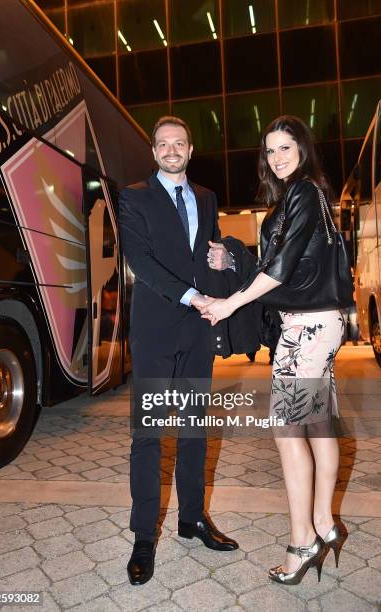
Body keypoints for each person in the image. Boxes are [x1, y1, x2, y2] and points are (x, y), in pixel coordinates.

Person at [200, 115, 346, 585]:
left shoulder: (303, 193)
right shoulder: (308, 196)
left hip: (304, 329)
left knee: (288, 433)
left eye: (286, 147)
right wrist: (237, 258)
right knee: (319, 425)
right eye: (270, 150)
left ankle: (303, 541)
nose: (277, 157)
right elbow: (280, 258)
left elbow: (281, 268)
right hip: (321, 323)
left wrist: (229, 304)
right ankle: (324, 523)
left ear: (303, 149)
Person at [119, 116, 238, 586]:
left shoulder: (206, 198)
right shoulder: (133, 197)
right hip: (154, 328)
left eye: (179, 143)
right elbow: (140, 260)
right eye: (163, 144)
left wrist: (223, 259)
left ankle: (192, 519)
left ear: (190, 151)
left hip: (196, 331)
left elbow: (207, 255)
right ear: (154, 153)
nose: (171, 150)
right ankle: (143, 536)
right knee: (148, 434)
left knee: (194, 429)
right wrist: (193, 296)